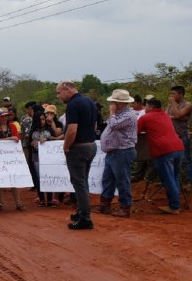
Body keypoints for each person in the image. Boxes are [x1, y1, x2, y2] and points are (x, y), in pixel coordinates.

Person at [57, 80, 98, 230]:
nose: (58, 96)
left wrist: (66, 147)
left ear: (67, 89)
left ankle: (85, 218)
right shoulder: (89, 101)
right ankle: (82, 211)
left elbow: (72, 130)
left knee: (79, 183)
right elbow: (94, 126)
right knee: (83, 181)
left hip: (79, 148)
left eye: (59, 92)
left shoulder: (73, 105)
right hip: (91, 145)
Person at [94, 89, 138, 218]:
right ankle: (105, 204)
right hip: (114, 151)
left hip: (122, 151)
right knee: (108, 179)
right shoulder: (119, 114)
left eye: (114, 102)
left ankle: (125, 207)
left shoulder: (128, 115)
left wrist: (112, 113)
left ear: (119, 103)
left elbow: (114, 126)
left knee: (122, 180)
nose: (112, 104)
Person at [138, 98, 185, 214]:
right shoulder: (166, 115)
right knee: (174, 177)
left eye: (146, 106)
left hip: (164, 150)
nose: (145, 108)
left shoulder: (146, 117)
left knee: (168, 179)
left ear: (150, 106)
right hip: (178, 147)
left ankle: (174, 206)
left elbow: (134, 132)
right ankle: (176, 204)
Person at [0, 107, 24, 211]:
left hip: (11, 157)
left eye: (5, 116)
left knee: (13, 179)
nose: (4, 118)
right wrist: (10, 138)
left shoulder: (13, 126)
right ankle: (0, 203)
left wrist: (12, 139)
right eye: (1, 117)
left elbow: (17, 139)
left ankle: (18, 203)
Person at [167, 85, 192, 188]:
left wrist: (174, 105)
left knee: (186, 159)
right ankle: (176, 181)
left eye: (173, 94)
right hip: (172, 136)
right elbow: (167, 116)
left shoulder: (188, 105)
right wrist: (174, 115)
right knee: (172, 159)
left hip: (183, 135)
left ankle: (190, 182)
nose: (171, 96)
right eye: (170, 94)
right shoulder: (171, 105)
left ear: (181, 94)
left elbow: (178, 115)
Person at [29, 111, 56, 206]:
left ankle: (49, 199)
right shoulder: (32, 131)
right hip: (36, 156)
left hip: (48, 157)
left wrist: (48, 139)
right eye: (40, 120)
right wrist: (31, 144)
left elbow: (56, 138)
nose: (42, 121)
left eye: (43, 119)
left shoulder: (49, 130)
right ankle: (41, 199)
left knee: (48, 176)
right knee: (39, 177)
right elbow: (29, 143)